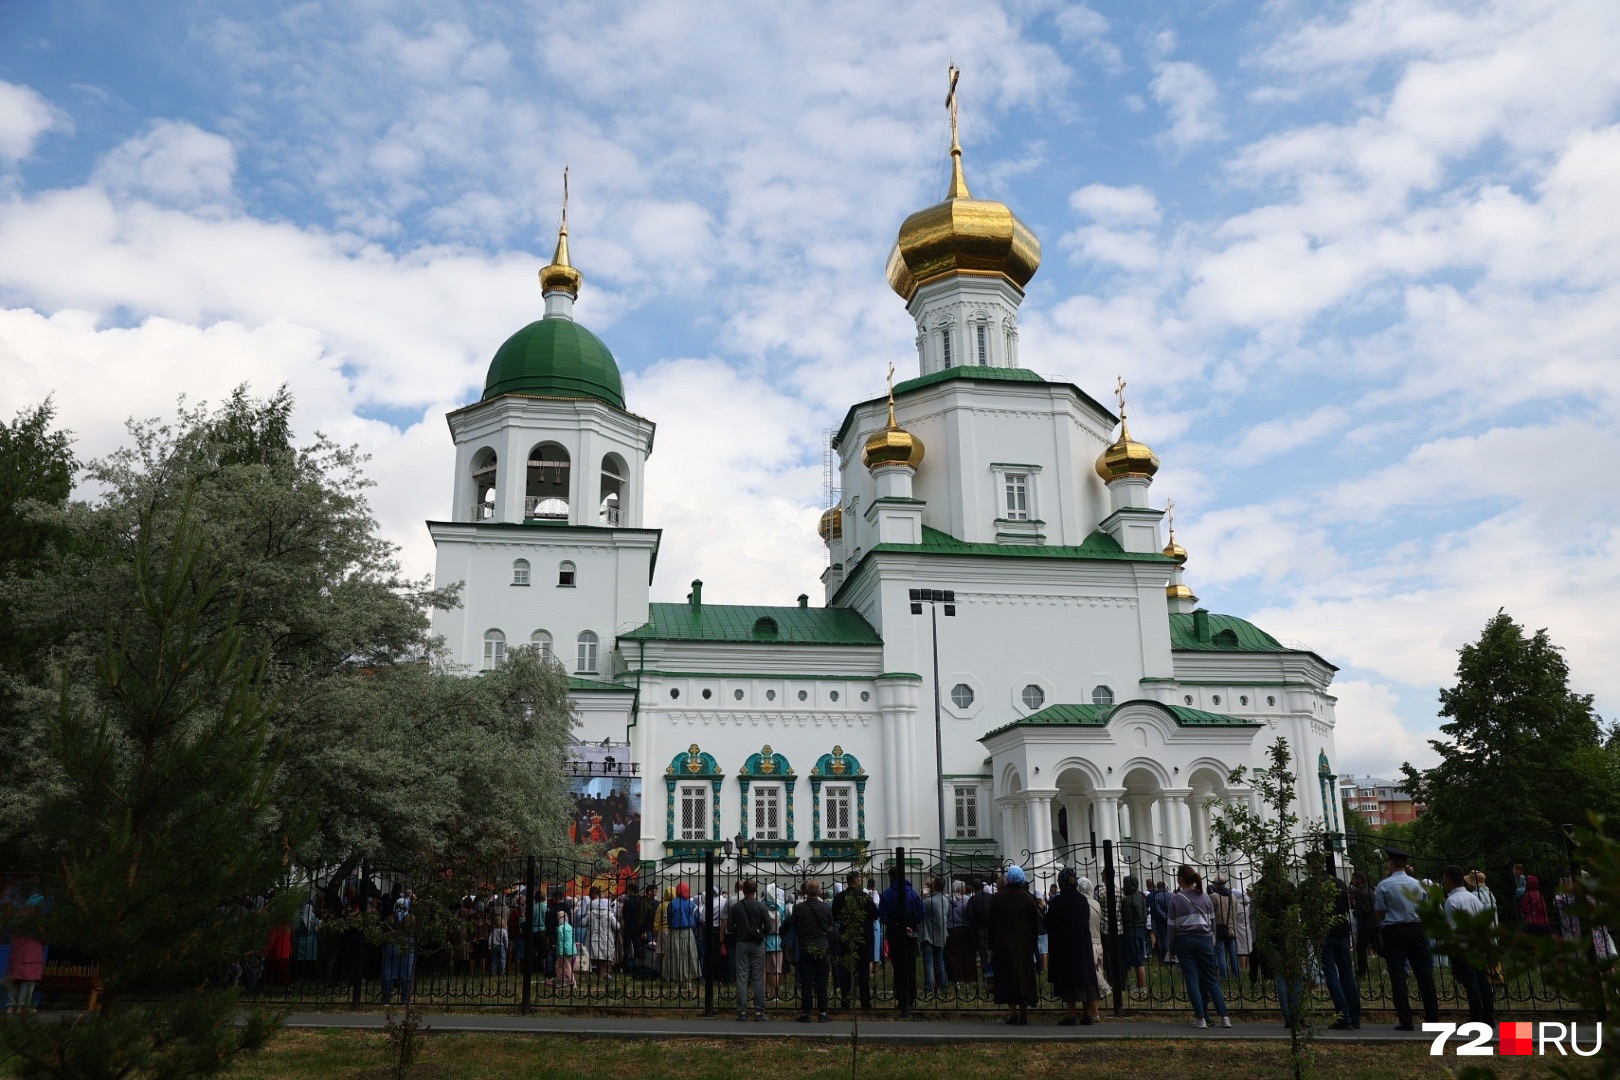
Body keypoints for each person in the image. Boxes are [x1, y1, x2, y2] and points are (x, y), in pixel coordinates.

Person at [1375, 846, 1439, 1031]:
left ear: (1391, 863)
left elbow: (1379, 911)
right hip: (1417, 929)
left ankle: (1405, 1019)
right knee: (1424, 974)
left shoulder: (1384, 885)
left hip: (1394, 931)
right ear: (1404, 865)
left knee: (1398, 975)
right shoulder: (1418, 885)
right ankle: (1432, 1018)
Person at [1166, 865, 1231, 1029]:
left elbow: (1171, 926)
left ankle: (1200, 1018)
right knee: (1211, 979)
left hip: (1184, 940)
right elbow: (1212, 921)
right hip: (1205, 940)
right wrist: (1212, 939)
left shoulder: (1176, 898)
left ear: (1180, 879)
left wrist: (1171, 946)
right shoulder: (1204, 896)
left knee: (1192, 979)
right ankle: (1225, 1017)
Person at [1046, 867, 1101, 1025]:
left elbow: (1050, 922)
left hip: (1066, 946)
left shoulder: (1059, 901)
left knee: (1069, 979)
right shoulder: (1082, 900)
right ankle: (1087, 1014)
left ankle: (1071, 1014)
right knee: (1084, 978)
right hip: (1083, 945)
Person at [1441, 865, 1494, 1026]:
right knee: (1482, 980)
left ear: (1449, 880)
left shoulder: (1451, 901)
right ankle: (1489, 1016)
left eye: (1445, 879)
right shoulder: (1473, 898)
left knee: (1470, 981)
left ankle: (1476, 1015)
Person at [989, 866, 1042, 1025]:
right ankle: (1023, 1013)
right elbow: (1035, 925)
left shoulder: (998, 898)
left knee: (1007, 978)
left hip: (1004, 946)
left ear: (1008, 880)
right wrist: (1033, 945)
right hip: (1024, 946)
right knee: (1024, 979)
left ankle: (1012, 1012)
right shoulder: (1028, 899)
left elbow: (992, 924)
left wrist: (992, 945)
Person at [1318, 862, 1360, 1030]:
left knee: (1331, 975)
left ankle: (1344, 1016)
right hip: (1342, 932)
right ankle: (1355, 1016)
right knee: (1347, 974)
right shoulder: (1340, 882)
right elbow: (1346, 907)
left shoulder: (1313, 885)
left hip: (1325, 933)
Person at [879, 867, 924, 1018]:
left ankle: (901, 1000)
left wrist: (897, 925)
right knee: (910, 968)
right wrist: (911, 925)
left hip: (894, 934)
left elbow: (883, 917)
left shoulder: (886, 895)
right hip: (910, 935)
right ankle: (911, 999)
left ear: (891, 878)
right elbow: (921, 913)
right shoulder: (913, 893)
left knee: (898, 969)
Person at [831, 872, 876, 1010]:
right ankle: (865, 1001)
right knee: (863, 969)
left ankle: (846, 999)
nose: (861, 881)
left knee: (845, 968)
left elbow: (834, 915)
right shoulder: (864, 897)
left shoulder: (840, 897)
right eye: (859, 879)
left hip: (846, 935)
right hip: (863, 936)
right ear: (855, 881)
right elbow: (874, 914)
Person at [791, 880, 834, 1022]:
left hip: (805, 947)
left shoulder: (799, 908)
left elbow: (793, 924)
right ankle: (823, 1012)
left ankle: (806, 1012)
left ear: (806, 891)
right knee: (822, 981)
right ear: (819, 891)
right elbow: (829, 927)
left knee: (807, 981)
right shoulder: (825, 908)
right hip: (821, 947)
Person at [728, 879, 770, 1021]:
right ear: (756, 890)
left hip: (741, 942)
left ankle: (742, 1011)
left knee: (742, 977)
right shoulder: (761, 906)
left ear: (743, 890)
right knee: (758, 976)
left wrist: (739, 931)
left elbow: (730, 927)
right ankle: (759, 1011)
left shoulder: (736, 907)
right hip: (757, 943)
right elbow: (769, 927)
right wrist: (760, 933)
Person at [380, 897, 416, 1006]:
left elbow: (385, 930)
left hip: (392, 944)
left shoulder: (390, 917)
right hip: (406, 944)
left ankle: (386, 997)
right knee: (406, 971)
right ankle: (405, 998)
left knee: (390, 971)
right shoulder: (410, 917)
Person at [920, 876, 949, 998]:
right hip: (941, 934)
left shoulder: (928, 901)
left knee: (928, 962)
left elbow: (919, 911)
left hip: (929, 935)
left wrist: (922, 897)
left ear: (934, 886)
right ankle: (943, 986)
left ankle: (929, 988)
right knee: (940, 962)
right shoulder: (944, 900)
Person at [1121, 875, 1149, 998]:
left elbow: (1126, 917)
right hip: (1141, 929)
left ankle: (1141, 986)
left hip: (1131, 930)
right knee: (1139, 957)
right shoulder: (1142, 898)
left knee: (1137, 960)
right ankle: (1139, 984)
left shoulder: (1127, 900)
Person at [1350, 871, 1380, 979]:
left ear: (1359, 880)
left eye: (1353, 878)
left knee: (1360, 949)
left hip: (1366, 926)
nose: (1352, 881)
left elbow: (1365, 910)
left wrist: (1355, 911)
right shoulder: (1369, 890)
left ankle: (1361, 973)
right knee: (1378, 948)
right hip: (1374, 924)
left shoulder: (1361, 893)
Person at [1209, 876, 1240, 978]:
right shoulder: (1233, 896)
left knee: (1221, 953)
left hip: (1219, 928)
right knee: (1233, 954)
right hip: (1232, 928)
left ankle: (1224, 976)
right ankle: (1237, 975)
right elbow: (1236, 912)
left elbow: (1210, 913)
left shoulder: (1214, 896)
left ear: (1217, 885)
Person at [945, 881, 976, 983]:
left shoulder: (948, 900)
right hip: (964, 929)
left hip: (951, 929)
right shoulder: (967, 900)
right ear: (961, 889)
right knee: (965, 954)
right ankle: (966, 976)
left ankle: (955, 977)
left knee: (953, 954)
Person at [1147, 879, 1171, 962]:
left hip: (1159, 920)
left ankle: (1165, 957)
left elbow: (1156, 909)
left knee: (1163, 939)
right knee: (1171, 938)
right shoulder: (1171, 895)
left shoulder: (1154, 896)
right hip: (1170, 920)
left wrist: (1164, 916)